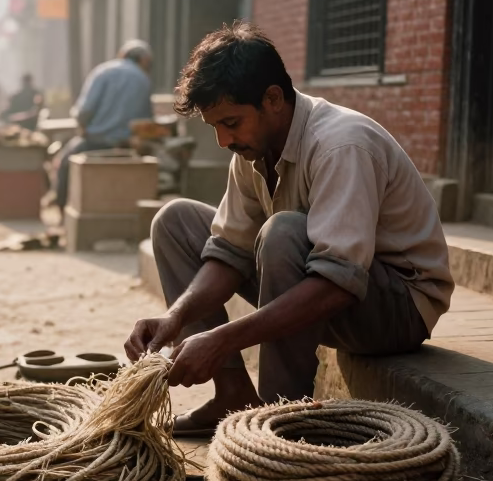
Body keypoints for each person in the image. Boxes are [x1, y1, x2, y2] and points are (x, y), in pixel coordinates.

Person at [125, 23, 453, 436]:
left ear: (273, 99)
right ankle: (233, 396)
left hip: (397, 308)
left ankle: (282, 422)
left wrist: (222, 339)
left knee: (283, 232)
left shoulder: (341, 144)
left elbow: (337, 282)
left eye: (231, 122)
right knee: (175, 222)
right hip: (326, 284)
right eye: (215, 128)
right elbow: (229, 251)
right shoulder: (251, 147)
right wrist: (175, 318)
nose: (224, 141)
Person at [54, 39, 154, 212]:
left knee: (64, 163)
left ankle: (61, 211)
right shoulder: (144, 80)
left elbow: (84, 110)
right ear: (144, 60)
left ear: (123, 55)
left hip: (95, 141)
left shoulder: (103, 72)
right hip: (127, 145)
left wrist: (82, 126)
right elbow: (146, 121)